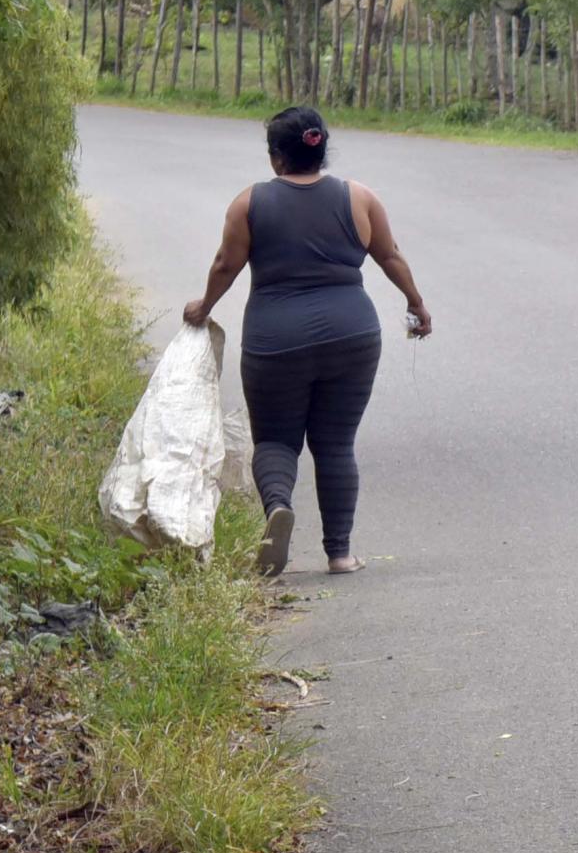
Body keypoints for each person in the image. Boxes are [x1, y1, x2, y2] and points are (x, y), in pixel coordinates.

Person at [182, 108, 432, 577]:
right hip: (353, 335)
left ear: (276, 158)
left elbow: (225, 265)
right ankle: (339, 554)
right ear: (322, 150)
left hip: (275, 340)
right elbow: (390, 256)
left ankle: (279, 507)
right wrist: (416, 303)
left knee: (276, 440)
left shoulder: (249, 204)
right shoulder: (360, 198)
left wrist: (204, 305)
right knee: (335, 444)